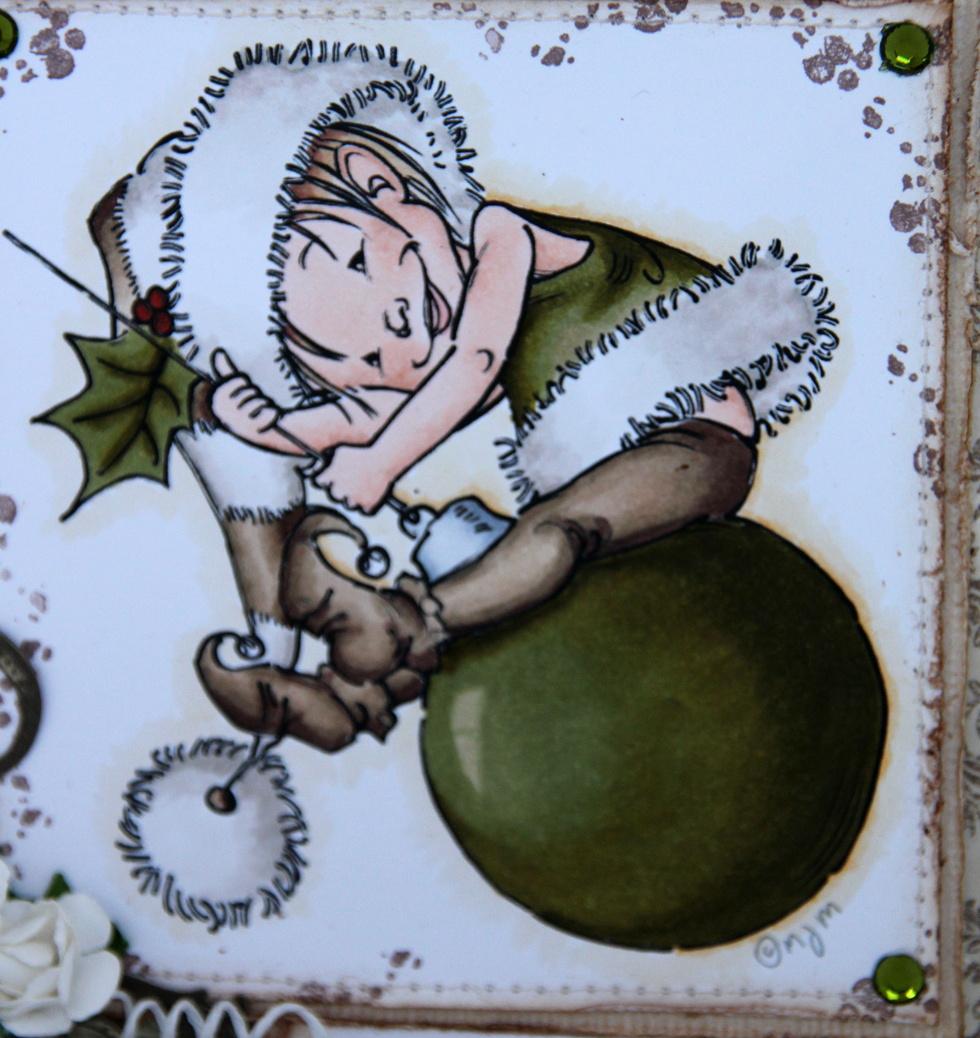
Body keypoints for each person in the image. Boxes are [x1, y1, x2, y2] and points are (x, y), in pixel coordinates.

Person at [193, 118, 838, 748]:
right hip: (616, 468)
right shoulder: (445, 334)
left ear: (379, 183)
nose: (407, 336)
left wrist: (381, 463)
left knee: (555, 531)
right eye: (371, 358)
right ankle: (349, 695)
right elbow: (374, 414)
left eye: (363, 264)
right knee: (519, 564)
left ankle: (405, 624)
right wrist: (273, 427)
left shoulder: (500, 236)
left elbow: (473, 363)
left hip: (693, 442)